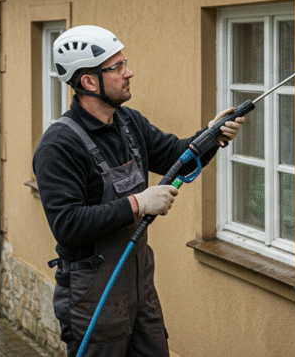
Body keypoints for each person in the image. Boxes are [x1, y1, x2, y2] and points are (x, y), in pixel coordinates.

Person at [33, 25, 242, 357]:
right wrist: (138, 203)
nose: (128, 73)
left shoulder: (129, 123)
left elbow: (179, 157)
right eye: (116, 67)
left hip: (138, 283)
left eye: (123, 62)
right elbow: (68, 224)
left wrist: (212, 136)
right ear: (89, 82)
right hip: (93, 294)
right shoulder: (59, 146)